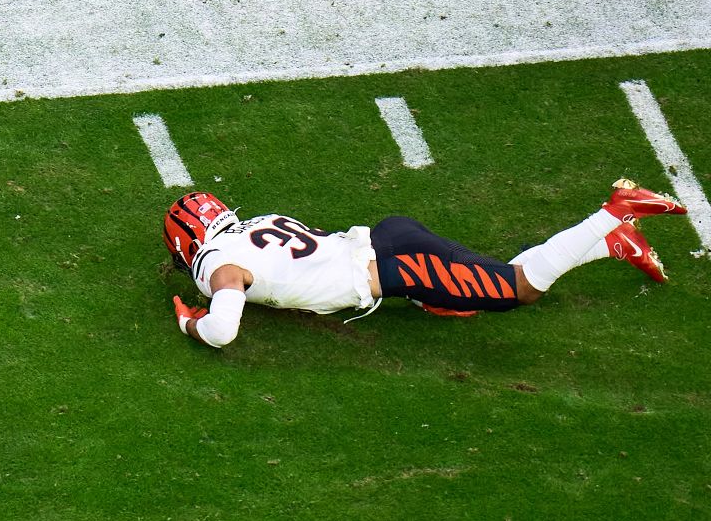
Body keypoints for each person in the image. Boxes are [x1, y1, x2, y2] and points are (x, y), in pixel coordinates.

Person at [165, 180, 686, 348]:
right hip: (390, 239)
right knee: (499, 277)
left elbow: (223, 329)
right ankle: (613, 243)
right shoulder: (258, 221)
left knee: (519, 289)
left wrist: (192, 321)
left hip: (398, 269)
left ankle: (611, 213)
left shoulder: (218, 263)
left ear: (189, 242)